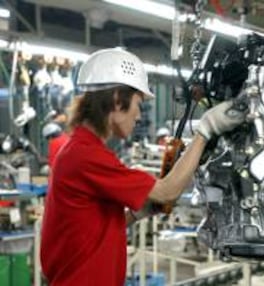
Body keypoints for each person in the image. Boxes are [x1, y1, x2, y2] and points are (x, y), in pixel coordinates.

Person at [40, 47, 246, 286]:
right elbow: (167, 191)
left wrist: (136, 214)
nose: (138, 115)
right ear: (118, 101)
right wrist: (206, 130)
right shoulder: (86, 155)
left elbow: (90, 228)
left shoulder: (80, 150)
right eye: (138, 103)